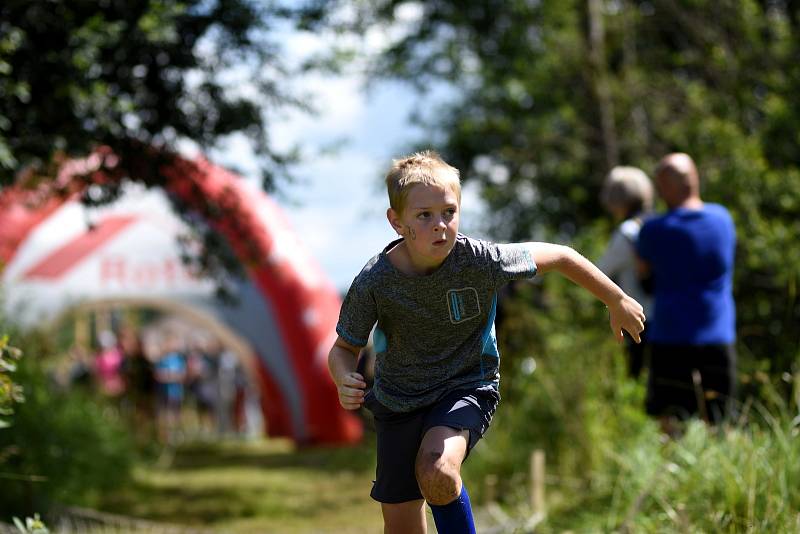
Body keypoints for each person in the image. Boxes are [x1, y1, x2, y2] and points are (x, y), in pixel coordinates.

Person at [328, 150, 646, 534]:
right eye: (424, 215)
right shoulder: (375, 281)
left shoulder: (480, 260)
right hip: (398, 402)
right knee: (402, 526)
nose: (440, 225)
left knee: (438, 470)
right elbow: (344, 349)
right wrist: (343, 378)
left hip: (465, 387)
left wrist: (616, 299)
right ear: (397, 222)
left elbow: (561, 256)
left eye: (449, 211)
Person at [636, 153, 737, 428]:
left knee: (670, 423)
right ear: (694, 180)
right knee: (722, 422)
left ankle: (672, 473)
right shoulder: (724, 220)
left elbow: (644, 279)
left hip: (670, 337)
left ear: (666, 188)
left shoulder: (653, 230)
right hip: (718, 336)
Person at [598, 166, 655, 378]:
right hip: (668, 316)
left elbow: (600, 272)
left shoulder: (627, 232)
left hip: (638, 318)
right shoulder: (658, 223)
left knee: (636, 379)